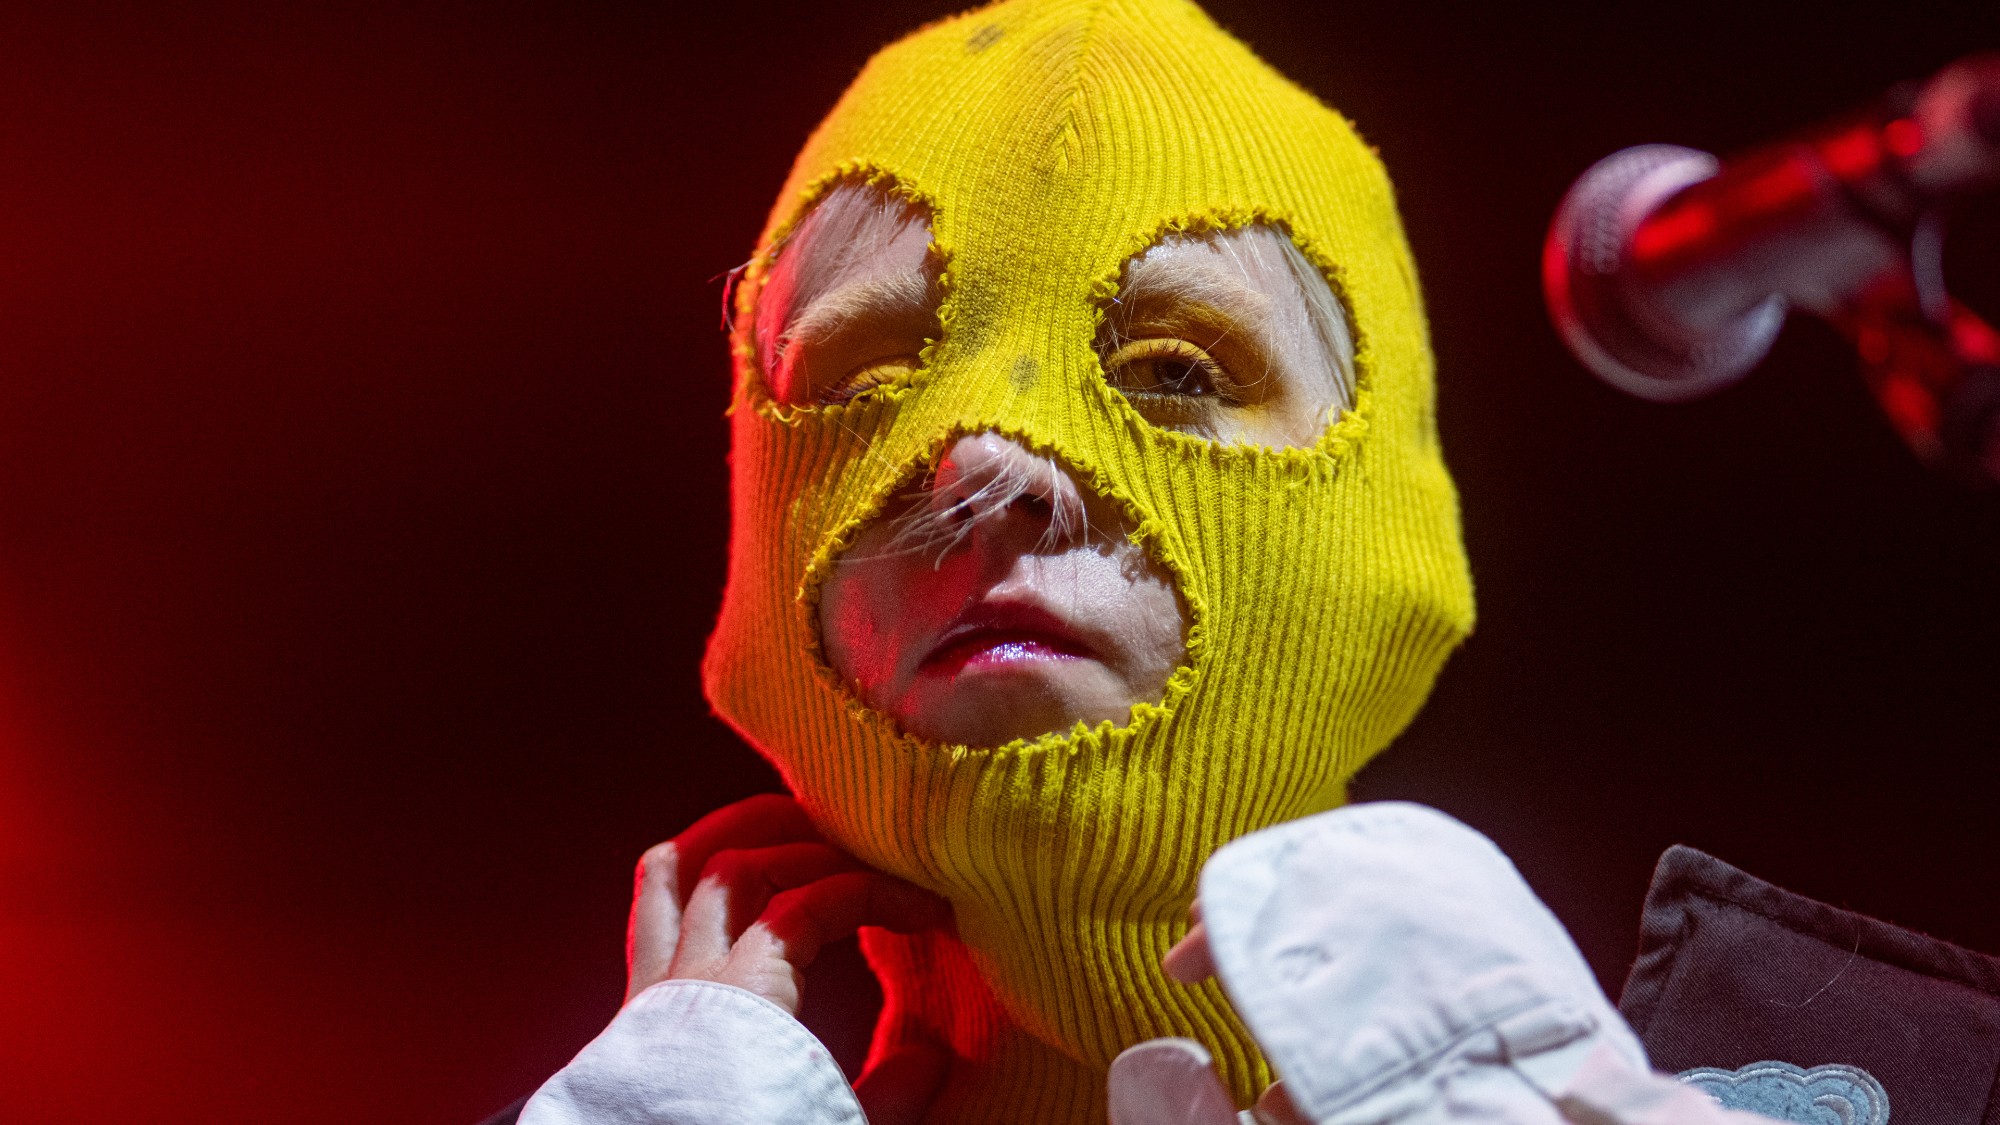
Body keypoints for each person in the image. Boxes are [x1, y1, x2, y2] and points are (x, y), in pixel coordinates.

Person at [509, 1, 1794, 1122]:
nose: (980, 468)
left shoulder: (1878, 1065)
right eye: (865, 379)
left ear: (1390, 531)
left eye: (1178, 372)